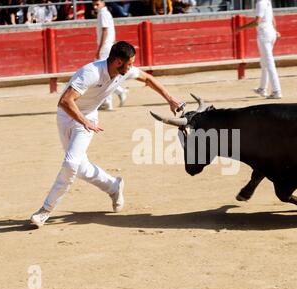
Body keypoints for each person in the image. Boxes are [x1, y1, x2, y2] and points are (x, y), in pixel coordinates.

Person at [30, 41, 184, 228]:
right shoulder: (91, 72)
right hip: (68, 116)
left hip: (87, 120)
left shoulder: (124, 71)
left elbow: (148, 79)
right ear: (118, 62)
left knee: (71, 163)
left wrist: (170, 99)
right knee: (79, 167)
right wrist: (84, 121)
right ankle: (113, 185)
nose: (132, 67)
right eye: (130, 63)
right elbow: (64, 101)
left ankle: (45, 210)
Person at [236, 0, 282, 99]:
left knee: (269, 63)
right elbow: (272, 19)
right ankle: (262, 88)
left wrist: (241, 28)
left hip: (264, 35)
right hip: (271, 33)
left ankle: (276, 91)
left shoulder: (260, 3)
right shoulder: (267, 1)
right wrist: (275, 30)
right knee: (264, 62)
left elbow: (257, 22)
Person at [93, 0, 128, 111]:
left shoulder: (103, 13)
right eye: (93, 4)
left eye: (97, 4)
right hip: (108, 46)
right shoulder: (105, 13)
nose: (95, 7)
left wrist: (99, 48)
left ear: (103, 3)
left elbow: (105, 31)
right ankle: (119, 92)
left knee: (104, 74)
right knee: (105, 73)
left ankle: (109, 101)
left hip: (105, 47)